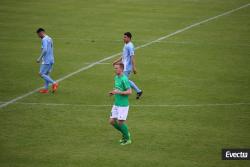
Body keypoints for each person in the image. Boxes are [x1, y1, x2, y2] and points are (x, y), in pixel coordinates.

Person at [113, 32, 143, 99]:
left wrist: (134, 67)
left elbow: (132, 57)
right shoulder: (126, 44)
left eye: (125, 37)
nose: (123, 38)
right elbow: (124, 56)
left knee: (124, 79)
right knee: (126, 80)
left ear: (129, 38)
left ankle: (136, 91)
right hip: (124, 66)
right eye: (123, 37)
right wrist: (117, 61)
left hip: (127, 67)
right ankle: (138, 91)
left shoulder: (130, 46)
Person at [109, 62, 132, 145]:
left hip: (123, 104)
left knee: (120, 122)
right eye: (114, 68)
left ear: (121, 69)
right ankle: (125, 134)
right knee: (111, 121)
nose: (115, 69)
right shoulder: (116, 77)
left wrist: (120, 92)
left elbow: (130, 92)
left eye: (116, 68)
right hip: (116, 103)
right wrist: (113, 92)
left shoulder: (124, 79)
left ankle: (127, 138)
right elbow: (116, 88)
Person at [36, 28, 58, 93]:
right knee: (46, 74)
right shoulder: (49, 38)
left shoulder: (44, 39)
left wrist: (39, 58)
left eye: (38, 34)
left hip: (46, 60)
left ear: (41, 33)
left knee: (41, 74)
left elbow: (45, 50)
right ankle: (45, 89)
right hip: (51, 59)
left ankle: (54, 83)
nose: (38, 36)